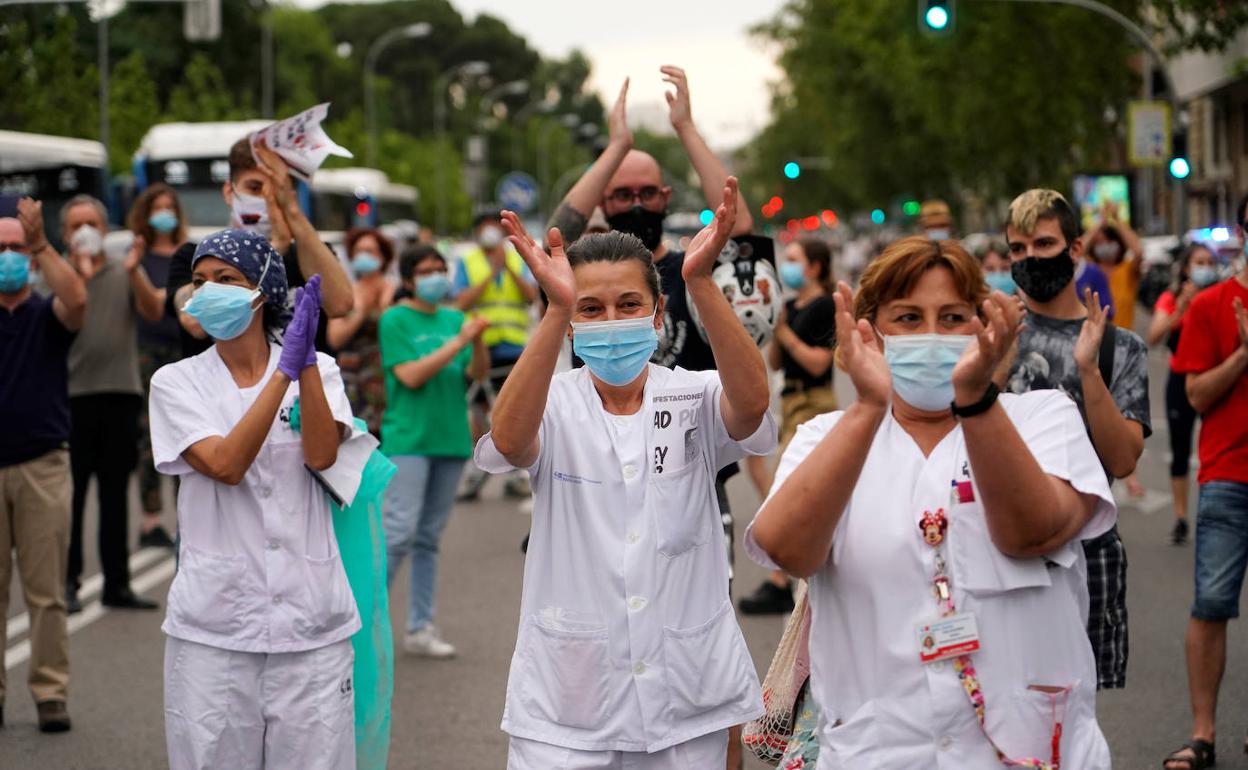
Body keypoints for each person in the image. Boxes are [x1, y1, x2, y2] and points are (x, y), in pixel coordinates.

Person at [746, 236, 1115, 768]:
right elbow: (788, 550)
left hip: (1030, 747)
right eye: (908, 319)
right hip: (880, 751)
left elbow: (1030, 532)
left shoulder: (1042, 419)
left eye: (952, 317)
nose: (932, 336)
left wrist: (975, 397)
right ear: (869, 331)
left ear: (982, 324)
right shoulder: (825, 437)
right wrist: (870, 406)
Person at [479, 177, 774, 769]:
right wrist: (557, 306)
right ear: (570, 324)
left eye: (628, 305)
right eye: (590, 309)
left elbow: (751, 406)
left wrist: (699, 283)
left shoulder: (694, 395)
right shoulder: (553, 402)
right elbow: (510, 442)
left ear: (657, 312)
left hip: (687, 697)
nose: (610, 320)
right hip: (570, 704)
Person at [546, 68, 764, 770]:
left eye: (647, 191)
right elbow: (554, 231)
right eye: (621, 194)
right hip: (589, 484)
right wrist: (615, 148)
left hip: (690, 489)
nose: (635, 202)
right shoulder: (582, 269)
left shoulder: (695, 265)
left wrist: (686, 130)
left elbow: (744, 239)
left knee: (704, 664)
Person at [148, 230, 360, 769]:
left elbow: (321, 454)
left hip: (310, 626)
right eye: (199, 282)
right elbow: (224, 465)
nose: (207, 292)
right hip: (216, 633)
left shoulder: (322, 372)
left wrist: (305, 363)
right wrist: (283, 373)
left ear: (263, 290)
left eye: (226, 280)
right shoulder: (176, 383)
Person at [1003, 189, 1150, 693]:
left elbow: (1124, 460)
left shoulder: (1118, 346)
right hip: (997, 549)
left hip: (1088, 552)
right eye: (1017, 250)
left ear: (1076, 249)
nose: (1030, 259)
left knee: (1076, 711)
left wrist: (1089, 370)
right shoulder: (991, 334)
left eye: (1043, 244)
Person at [1161, 194, 1248, 770]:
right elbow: (1195, 394)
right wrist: (1244, 354)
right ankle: (1203, 734)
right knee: (1211, 604)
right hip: (1227, 476)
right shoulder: (1214, 303)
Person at [0, 201, 86, 733]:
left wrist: (41, 244)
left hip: (42, 464)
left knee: (46, 590)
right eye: (0, 248)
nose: (8, 256)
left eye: (15, 248)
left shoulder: (47, 315)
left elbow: (77, 298)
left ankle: (50, 691)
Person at [379, 244, 488, 659]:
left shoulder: (454, 318)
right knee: (399, 533)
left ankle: (420, 627)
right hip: (409, 439)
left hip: (450, 440)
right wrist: (459, 339)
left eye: (441, 268)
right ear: (408, 280)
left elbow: (475, 374)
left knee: (427, 539)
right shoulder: (395, 320)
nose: (436, 276)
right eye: (426, 270)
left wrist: (475, 343)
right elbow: (410, 376)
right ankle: (362, 623)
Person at [62, 194, 165, 614]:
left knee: (114, 494)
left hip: (119, 394)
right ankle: (68, 582)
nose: (84, 231)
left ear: (105, 230)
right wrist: (79, 274)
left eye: (92, 223)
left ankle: (117, 584)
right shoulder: (57, 277)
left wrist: (134, 269)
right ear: (65, 233)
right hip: (71, 398)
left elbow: (154, 310)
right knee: (71, 497)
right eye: (75, 225)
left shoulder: (124, 271)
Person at [164, 136, 354, 360]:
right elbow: (194, 322)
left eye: (276, 190)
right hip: (220, 390)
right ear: (229, 192)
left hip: (301, 389)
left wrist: (292, 213)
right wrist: (275, 251)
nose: (266, 198)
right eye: (254, 188)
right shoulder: (194, 257)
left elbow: (341, 305)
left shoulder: (309, 255)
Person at [739, 237, 836, 616]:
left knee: (785, 481)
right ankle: (797, 543)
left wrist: (784, 332)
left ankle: (781, 578)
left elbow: (817, 362)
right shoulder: (791, 306)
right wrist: (772, 322)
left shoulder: (824, 305)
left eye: (795, 260)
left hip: (814, 402)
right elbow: (777, 362)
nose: (788, 266)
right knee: (759, 465)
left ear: (815, 266)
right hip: (790, 401)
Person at [453, 209, 538, 501]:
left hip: (513, 348)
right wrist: (491, 273)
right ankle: (478, 469)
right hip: (480, 349)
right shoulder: (468, 261)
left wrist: (508, 269)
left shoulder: (516, 258)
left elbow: (530, 296)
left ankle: (515, 473)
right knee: (478, 411)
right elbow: (462, 301)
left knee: (514, 412)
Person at [126, 183, 188, 549]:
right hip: (148, 352)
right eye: (157, 207)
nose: (164, 213)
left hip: (183, 350)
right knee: (150, 436)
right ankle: (151, 521)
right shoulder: (139, 255)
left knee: (185, 434)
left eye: (170, 207)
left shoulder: (185, 254)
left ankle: (187, 517)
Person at [1147, 242, 1221, 546]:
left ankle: (1215, 513)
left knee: (1215, 450)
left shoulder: (1220, 297)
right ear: (1187, 268)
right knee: (1180, 449)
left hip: (1215, 380)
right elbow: (1153, 336)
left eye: (1208, 262)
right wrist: (1183, 306)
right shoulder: (1171, 298)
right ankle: (1180, 517)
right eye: (1198, 262)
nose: (1204, 267)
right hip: (1180, 380)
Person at [329, 227, 398, 437]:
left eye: (371, 251)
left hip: (386, 378)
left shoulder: (394, 291)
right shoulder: (346, 292)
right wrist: (361, 311)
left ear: (383, 257)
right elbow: (335, 338)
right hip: (352, 379)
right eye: (359, 251)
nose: (364, 256)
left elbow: (396, 332)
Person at [1084, 202, 1143, 331]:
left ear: (1118, 243)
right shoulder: (1089, 269)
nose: (1104, 245)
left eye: (1109, 241)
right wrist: (1100, 223)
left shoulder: (1127, 269)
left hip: (1123, 340)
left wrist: (1117, 219)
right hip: (1095, 340)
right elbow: (1078, 250)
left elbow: (1138, 251)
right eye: (1099, 242)